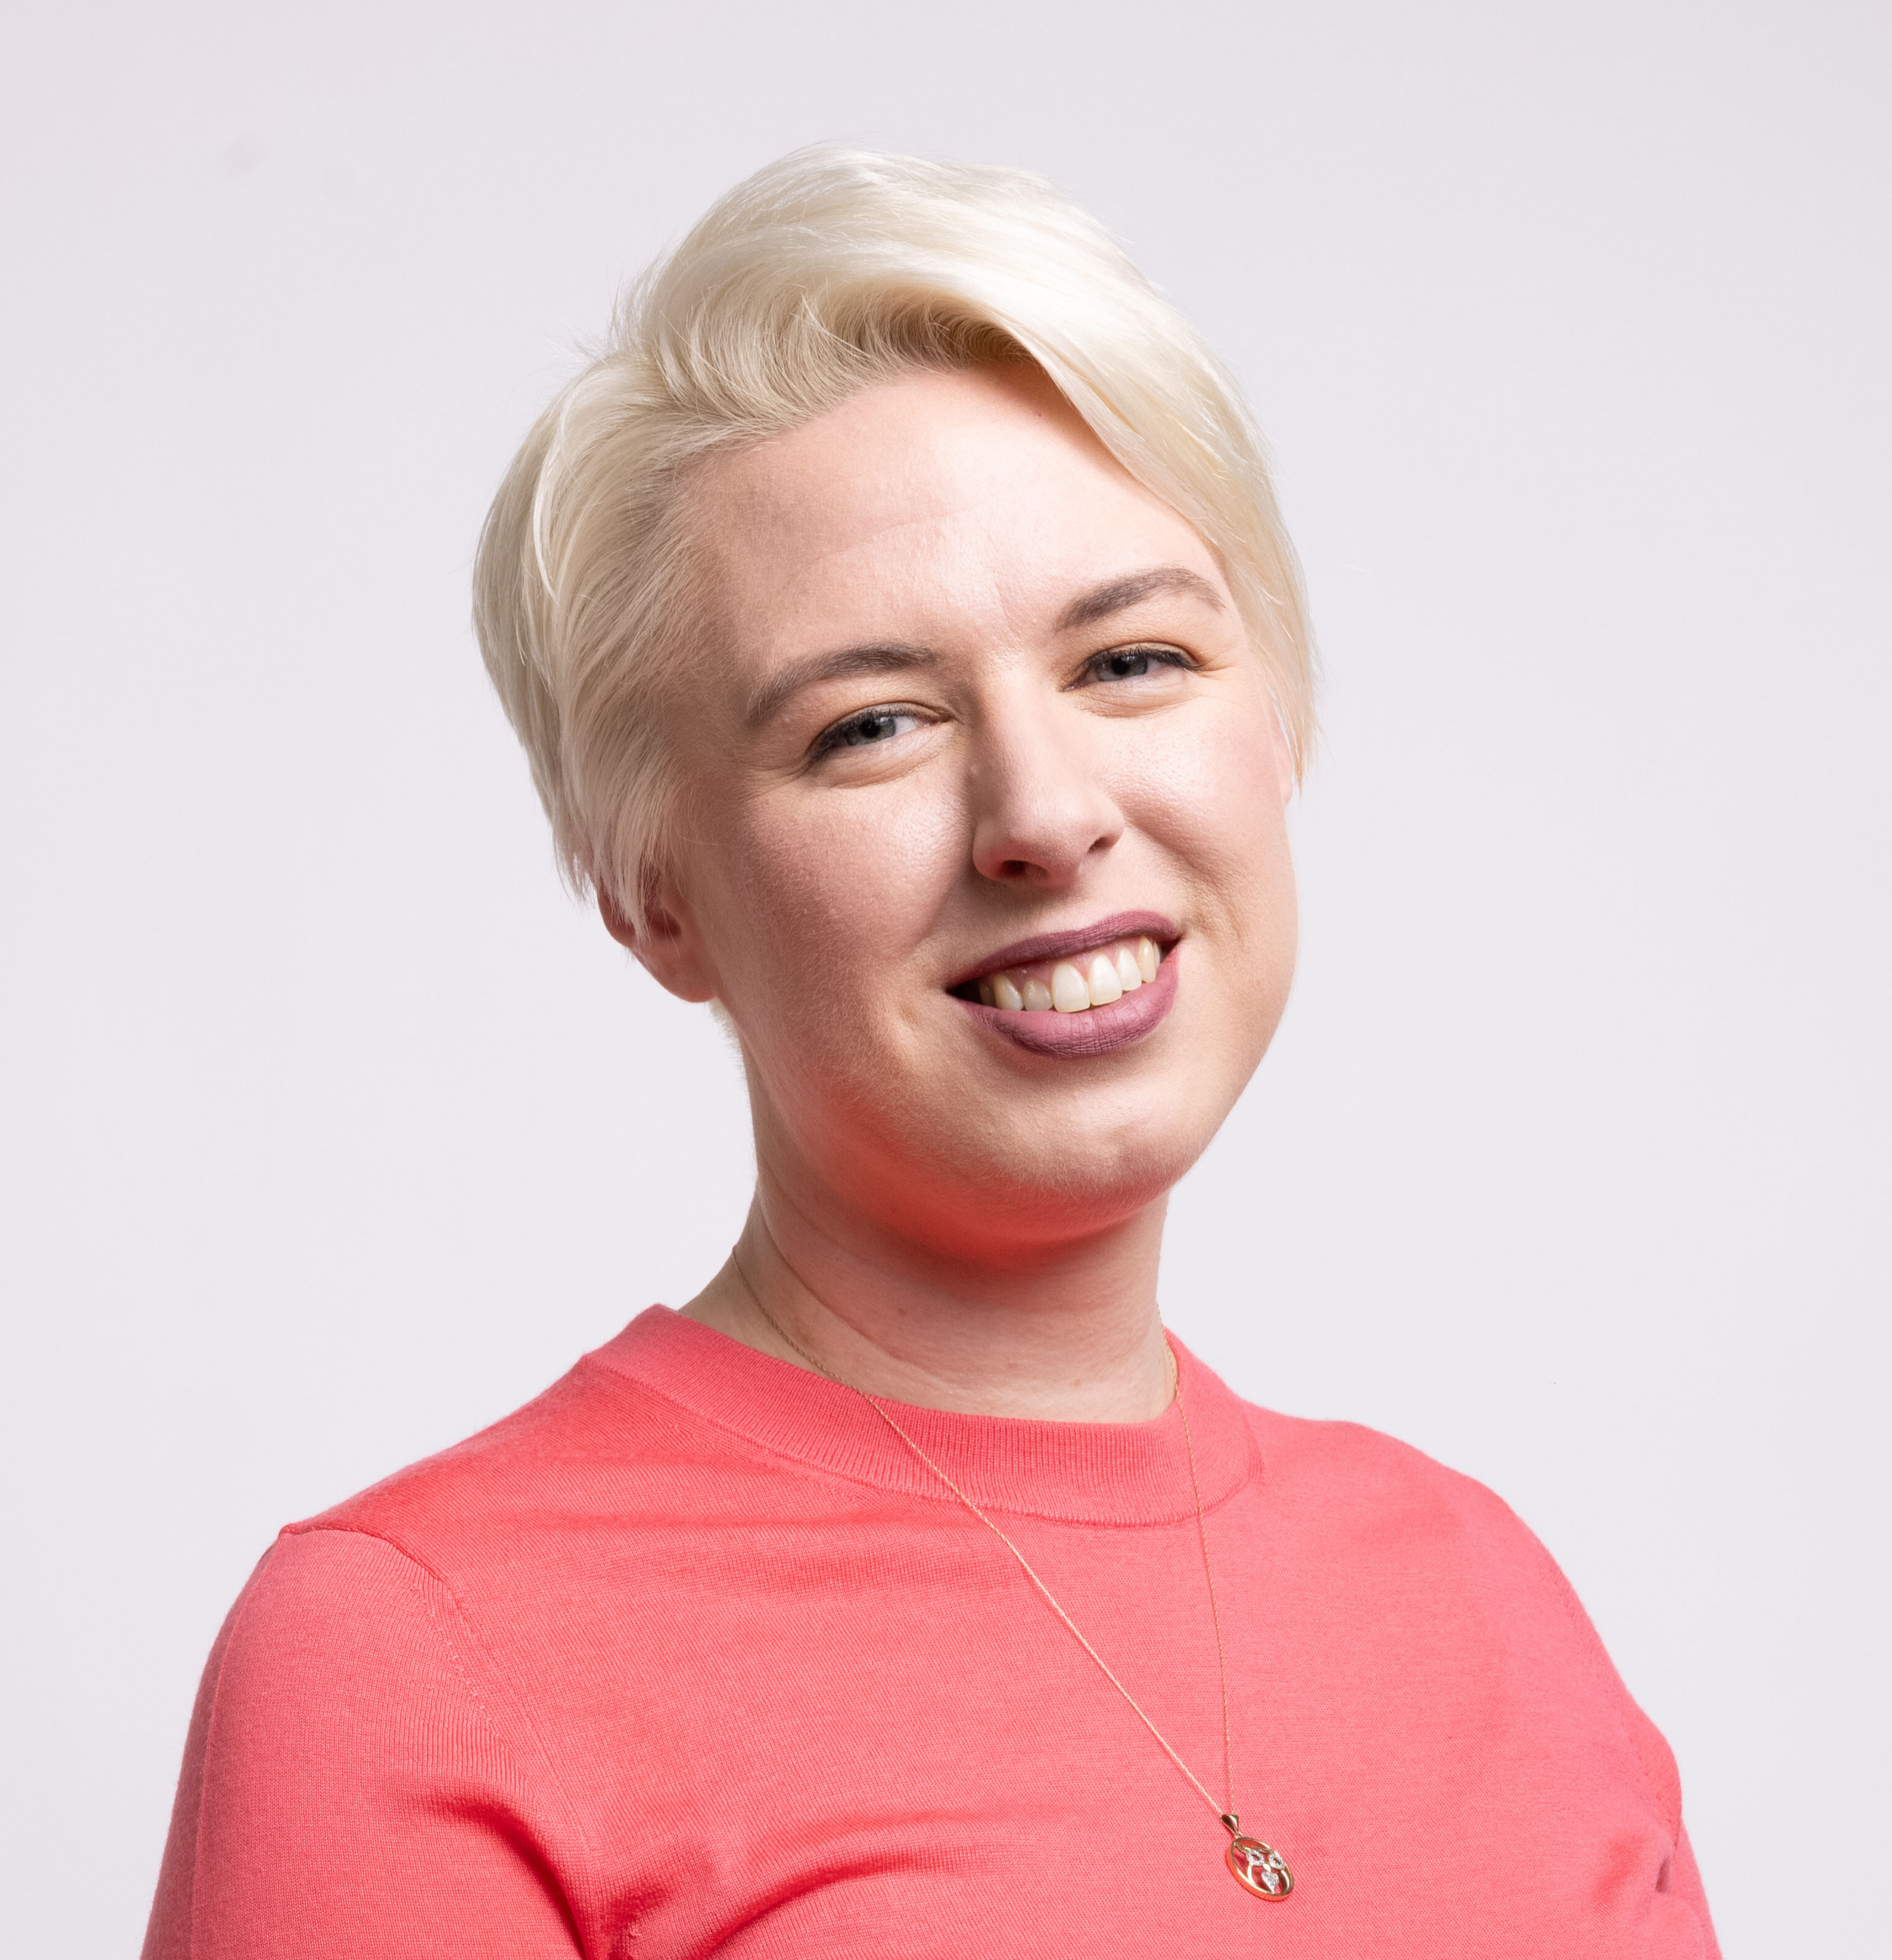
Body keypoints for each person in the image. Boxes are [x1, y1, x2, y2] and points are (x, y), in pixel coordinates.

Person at [142, 148, 1719, 1958]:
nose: (1043, 814)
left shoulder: (1478, 1589)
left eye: (1130, 660)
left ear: (1272, 718)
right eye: (871, 723)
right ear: (655, 894)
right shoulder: (415, 1650)